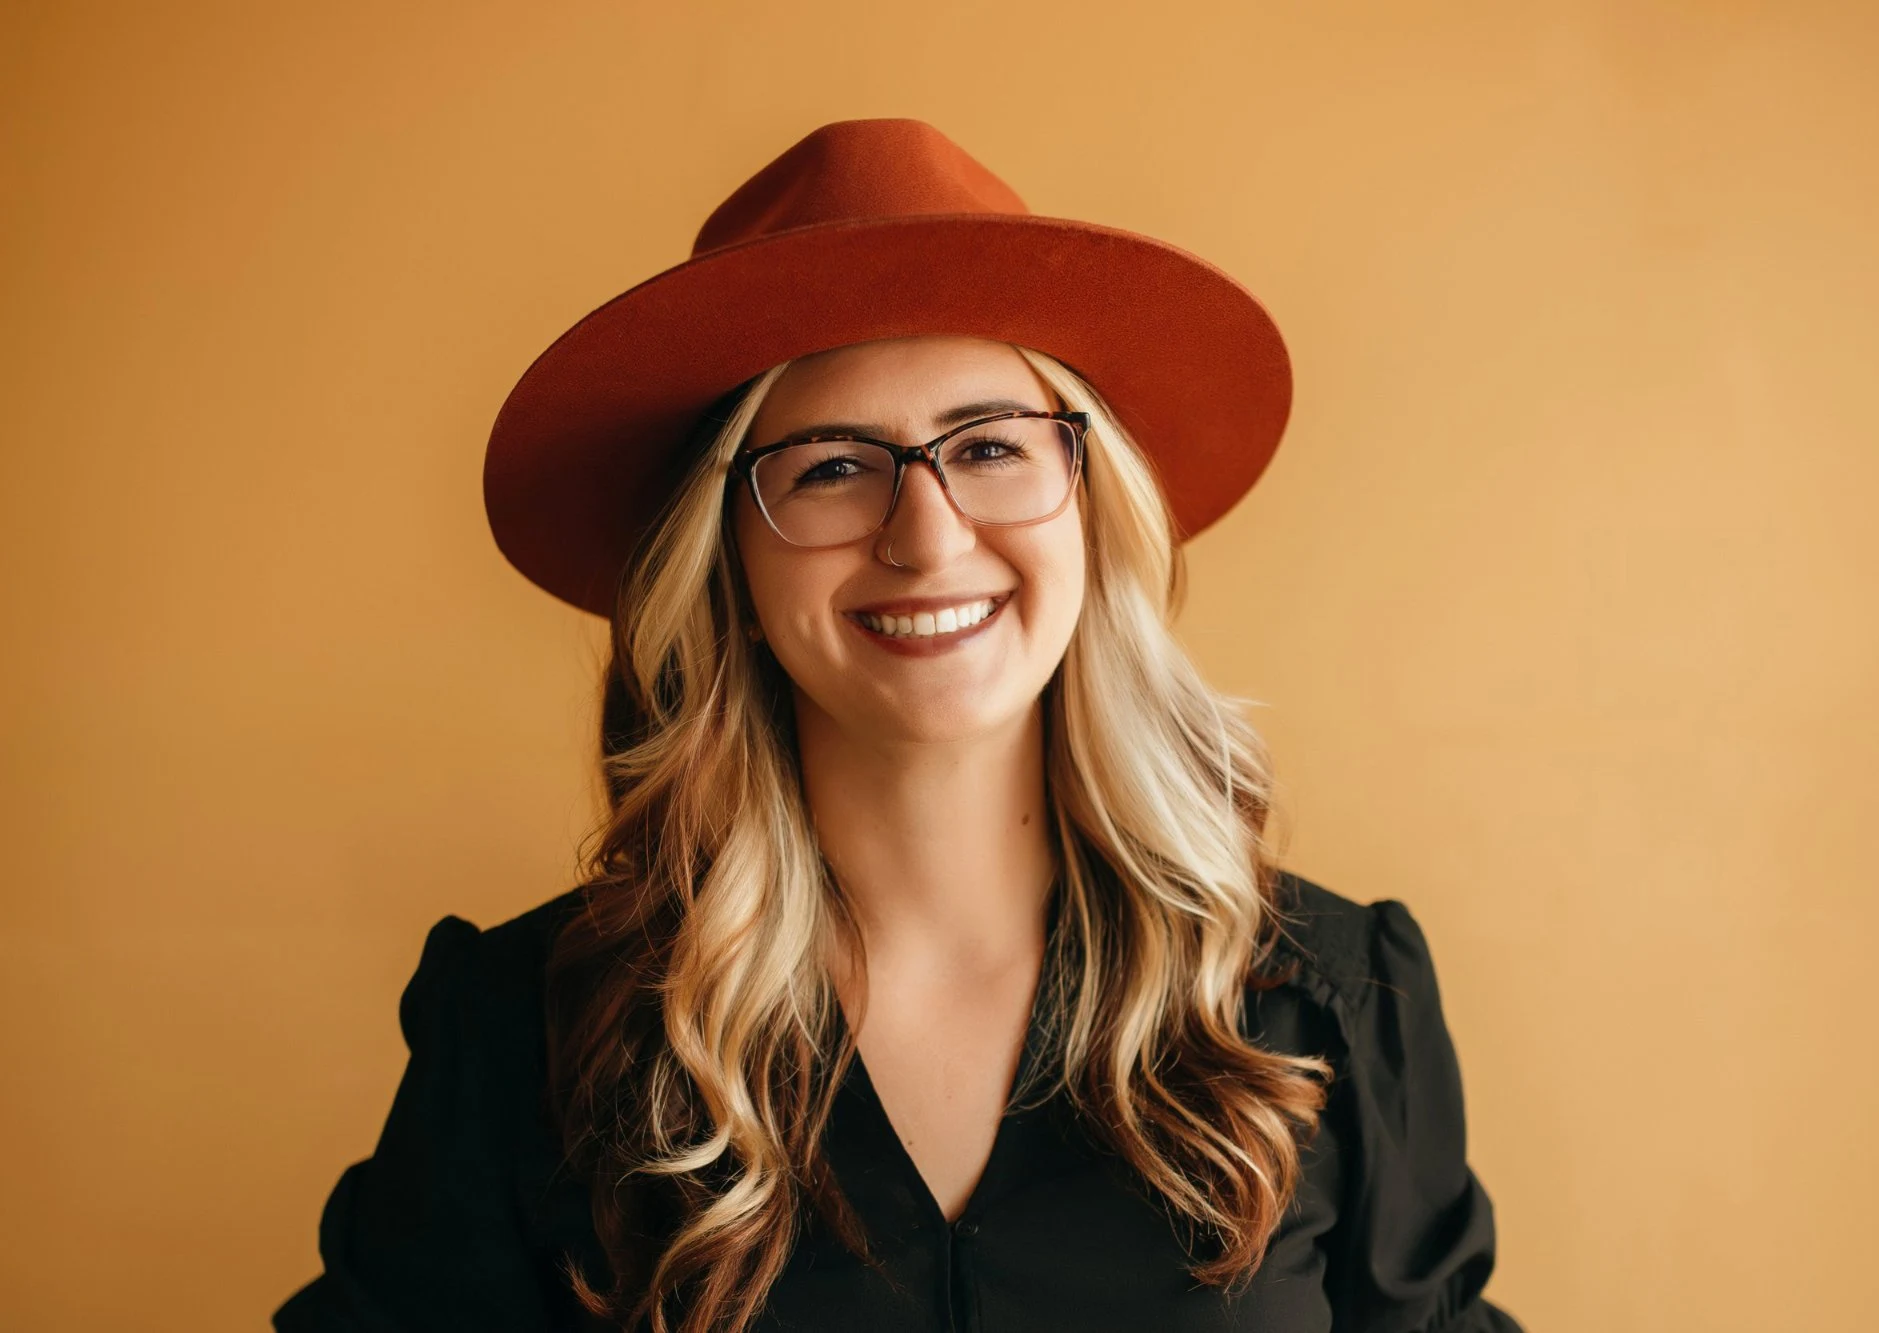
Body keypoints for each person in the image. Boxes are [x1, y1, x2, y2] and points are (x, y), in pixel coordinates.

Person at [274, 118, 1525, 1333]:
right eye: (828, 465)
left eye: (986, 447)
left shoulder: (1333, 1001)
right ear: (728, 570)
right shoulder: (525, 1034)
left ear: (1091, 514)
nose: (924, 536)